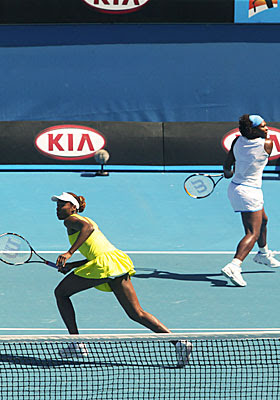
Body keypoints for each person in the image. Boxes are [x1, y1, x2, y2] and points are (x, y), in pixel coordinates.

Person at [51, 191, 191, 364]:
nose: (58, 209)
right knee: (136, 313)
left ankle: (76, 343)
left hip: (104, 265)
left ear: (73, 207)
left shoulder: (71, 220)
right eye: (57, 205)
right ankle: (179, 343)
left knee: (61, 293)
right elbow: (96, 252)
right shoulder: (86, 220)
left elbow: (88, 230)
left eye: (62, 205)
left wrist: (69, 253)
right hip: (114, 262)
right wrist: (73, 265)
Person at [222, 114, 280, 287]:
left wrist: (228, 173)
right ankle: (234, 265)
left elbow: (227, 166)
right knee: (252, 233)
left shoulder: (237, 141)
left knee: (264, 221)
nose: (266, 128)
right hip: (249, 192)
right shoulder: (267, 144)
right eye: (262, 126)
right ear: (253, 130)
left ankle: (263, 254)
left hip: (236, 187)